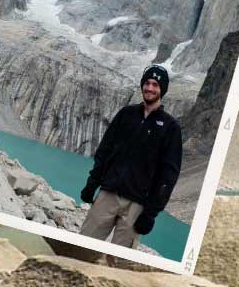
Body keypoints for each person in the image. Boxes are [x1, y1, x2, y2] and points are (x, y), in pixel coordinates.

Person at [77, 64, 183, 249]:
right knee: (82, 246)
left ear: (162, 89)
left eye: (155, 85)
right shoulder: (126, 114)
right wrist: (92, 183)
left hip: (137, 206)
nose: (150, 88)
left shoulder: (170, 127)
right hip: (108, 194)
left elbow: (169, 175)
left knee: (116, 260)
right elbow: (105, 150)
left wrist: (150, 213)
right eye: (147, 83)